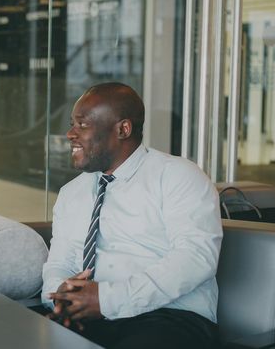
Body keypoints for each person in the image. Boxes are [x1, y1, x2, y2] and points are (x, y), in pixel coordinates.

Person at [41, 82, 222, 349]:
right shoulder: (72, 192)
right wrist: (63, 297)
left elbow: (195, 258)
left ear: (123, 129)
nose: (70, 134)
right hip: (87, 316)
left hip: (168, 318)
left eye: (82, 125)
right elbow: (58, 262)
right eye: (72, 124)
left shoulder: (177, 176)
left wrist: (107, 299)